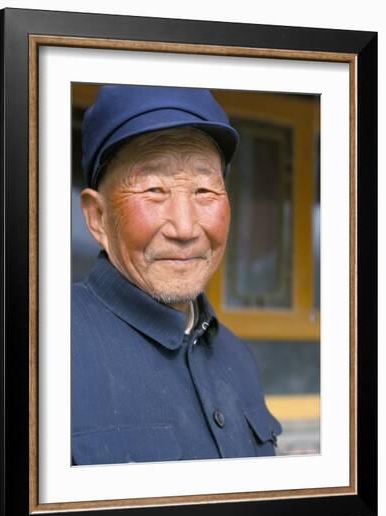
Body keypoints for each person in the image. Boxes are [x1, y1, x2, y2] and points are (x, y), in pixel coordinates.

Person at [71, 84, 282, 466]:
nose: (185, 228)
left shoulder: (238, 357)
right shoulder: (41, 349)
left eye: (204, 190)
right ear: (98, 217)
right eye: (154, 189)